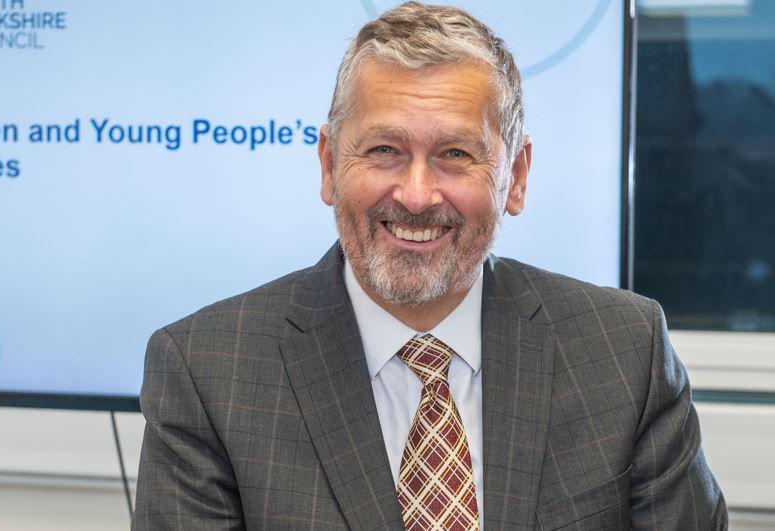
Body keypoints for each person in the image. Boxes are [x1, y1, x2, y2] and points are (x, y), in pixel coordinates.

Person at [133, 2, 727, 529]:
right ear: (329, 165)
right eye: (384, 150)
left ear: (515, 178)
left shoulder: (624, 351)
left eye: (455, 154)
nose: (417, 195)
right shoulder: (208, 372)